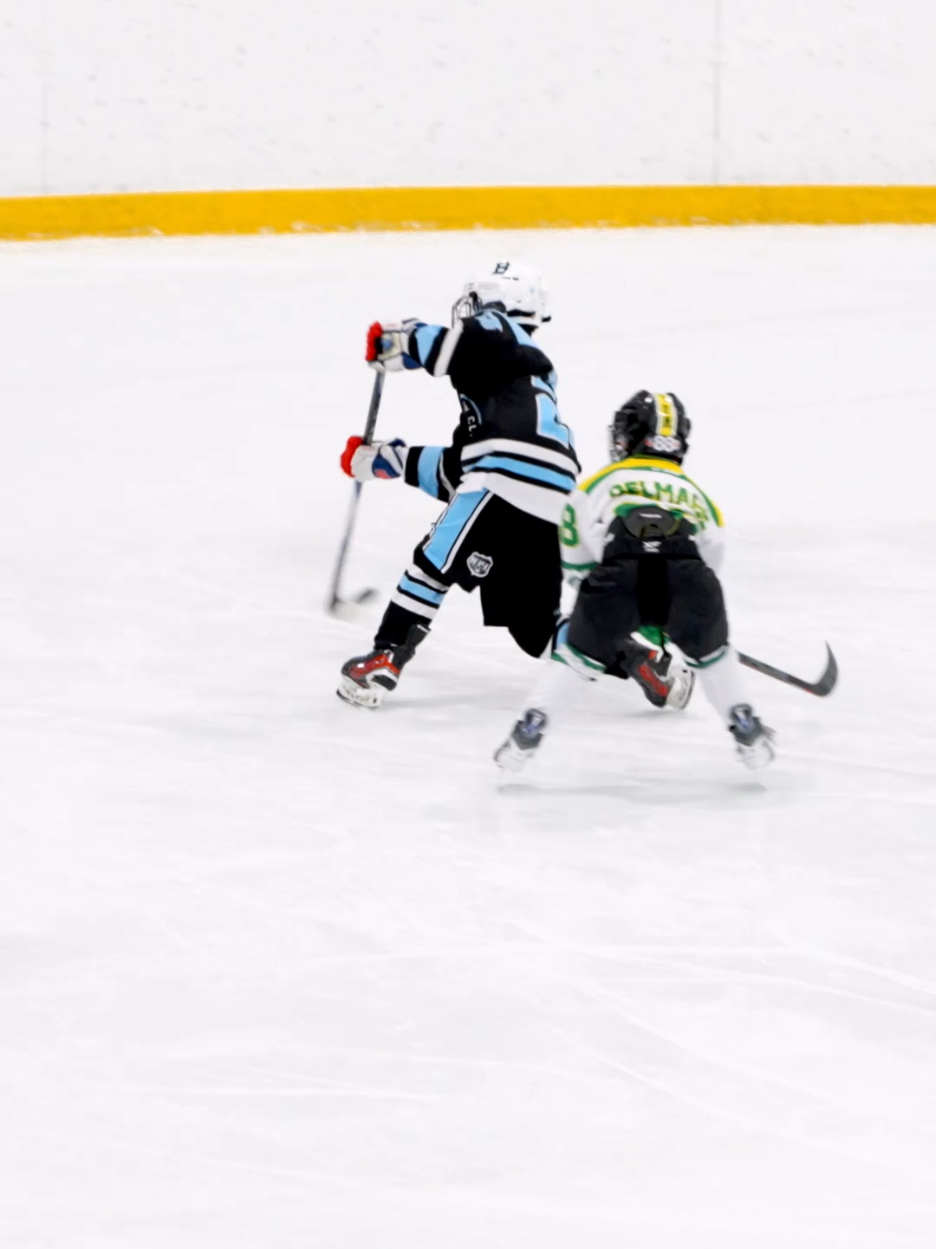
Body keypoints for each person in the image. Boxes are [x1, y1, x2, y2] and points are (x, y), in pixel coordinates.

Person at [336, 261, 582, 708]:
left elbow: (455, 347)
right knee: (537, 630)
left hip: (505, 476)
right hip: (556, 496)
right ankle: (634, 657)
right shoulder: (509, 388)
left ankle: (386, 656)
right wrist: (388, 460)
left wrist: (402, 340)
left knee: (432, 564)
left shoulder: (498, 329)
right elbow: (460, 471)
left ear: (500, 300)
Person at [494, 390, 776, 773]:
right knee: (714, 660)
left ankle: (531, 727)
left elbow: (576, 554)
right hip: (689, 581)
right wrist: (679, 621)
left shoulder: (600, 483)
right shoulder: (699, 496)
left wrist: (609, 603)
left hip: (617, 577)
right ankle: (747, 727)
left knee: (576, 661)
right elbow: (710, 562)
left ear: (629, 436)